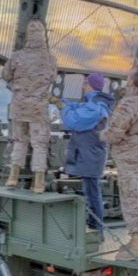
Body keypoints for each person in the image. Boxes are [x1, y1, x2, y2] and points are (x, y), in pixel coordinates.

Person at [103, 63, 138, 261]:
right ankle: (136, 241)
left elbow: (115, 134)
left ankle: (137, 245)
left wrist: (102, 135)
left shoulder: (128, 104)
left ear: (132, 81)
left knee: (130, 197)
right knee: (136, 195)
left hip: (127, 156)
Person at [53, 73, 114, 238]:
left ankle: (97, 229)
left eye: (85, 84)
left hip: (91, 156)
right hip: (90, 155)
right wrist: (63, 103)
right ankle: (95, 226)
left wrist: (62, 106)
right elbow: (77, 108)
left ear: (91, 85)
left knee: (93, 193)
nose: (82, 86)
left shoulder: (95, 107)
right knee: (91, 191)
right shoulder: (94, 104)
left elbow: (73, 121)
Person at [1, 19, 57, 194]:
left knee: (19, 141)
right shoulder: (50, 58)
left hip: (19, 108)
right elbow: (53, 78)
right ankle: (39, 182)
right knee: (39, 144)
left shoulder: (17, 56)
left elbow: (5, 76)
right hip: (38, 109)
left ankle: (13, 177)